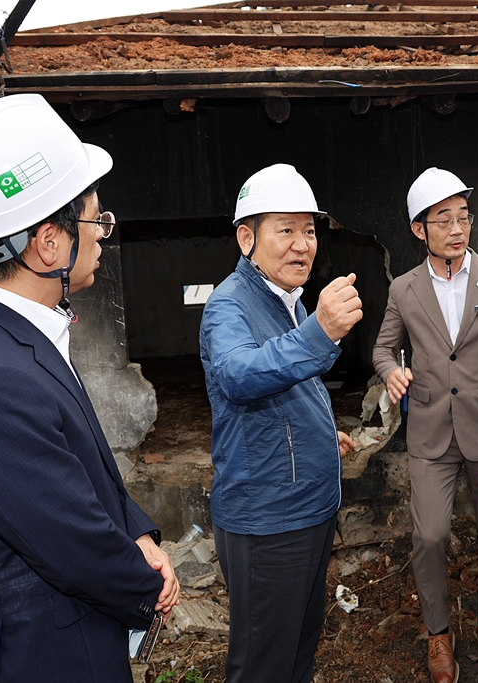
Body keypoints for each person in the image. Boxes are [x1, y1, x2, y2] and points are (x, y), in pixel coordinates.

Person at [0, 94, 179, 683]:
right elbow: (70, 542)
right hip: (47, 657)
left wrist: (137, 530)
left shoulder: (18, 333)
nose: (101, 236)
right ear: (48, 243)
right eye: (94, 220)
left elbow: (79, 470)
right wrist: (148, 584)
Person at [199, 164, 362, 683]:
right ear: (247, 238)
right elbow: (240, 375)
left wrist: (319, 432)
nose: (302, 245)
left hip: (307, 508)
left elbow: (291, 382)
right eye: (285, 230)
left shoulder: (283, 298)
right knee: (263, 663)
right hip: (268, 520)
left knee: (298, 648)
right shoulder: (229, 304)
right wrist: (320, 331)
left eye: (309, 230)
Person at [373, 167, 478, 681]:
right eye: (443, 219)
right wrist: (392, 372)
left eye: (463, 217)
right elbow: (382, 348)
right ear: (419, 229)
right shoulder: (404, 289)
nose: (458, 228)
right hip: (429, 430)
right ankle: (438, 634)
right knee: (429, 535)